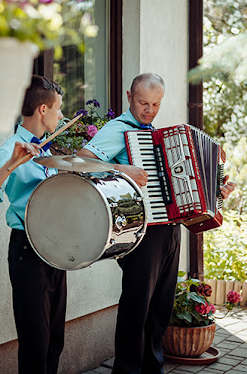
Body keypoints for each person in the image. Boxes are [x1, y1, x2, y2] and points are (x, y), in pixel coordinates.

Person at [76, 72, 236, 373]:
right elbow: (81, 160)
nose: (149, 110)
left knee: (161, 305)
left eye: (156, 104)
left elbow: (182, 186)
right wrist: (120, 167)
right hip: (142, 233)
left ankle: (152, 367)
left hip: (169, 229)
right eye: (143, 103)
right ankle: (127, 369)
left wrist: (216, 192)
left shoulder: (155, 135)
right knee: (137, 305)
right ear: (128, 98)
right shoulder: (118, 130)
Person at [0, 75, 65, 373]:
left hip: (55, 249)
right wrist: (12, 164)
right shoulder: (9, 149)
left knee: (54, 340)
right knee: (35, 342)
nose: (61, 116)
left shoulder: (47, 150)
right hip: (28, 251)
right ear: (42, 110)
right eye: (58, 109)